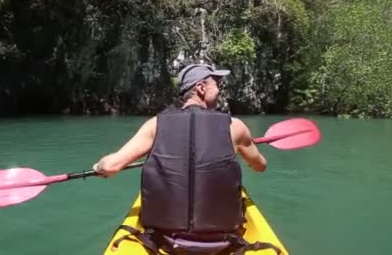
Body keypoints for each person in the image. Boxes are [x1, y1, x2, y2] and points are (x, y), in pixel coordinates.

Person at [93, 63, 274, 255]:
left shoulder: (156, 124)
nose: (220, 90)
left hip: (164, 241)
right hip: (222, 241)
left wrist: (99, 165)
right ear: (201, 88)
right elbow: (260, 166)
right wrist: (238, 148)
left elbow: (111, 166)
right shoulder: (235, 127)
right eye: (216, 84)